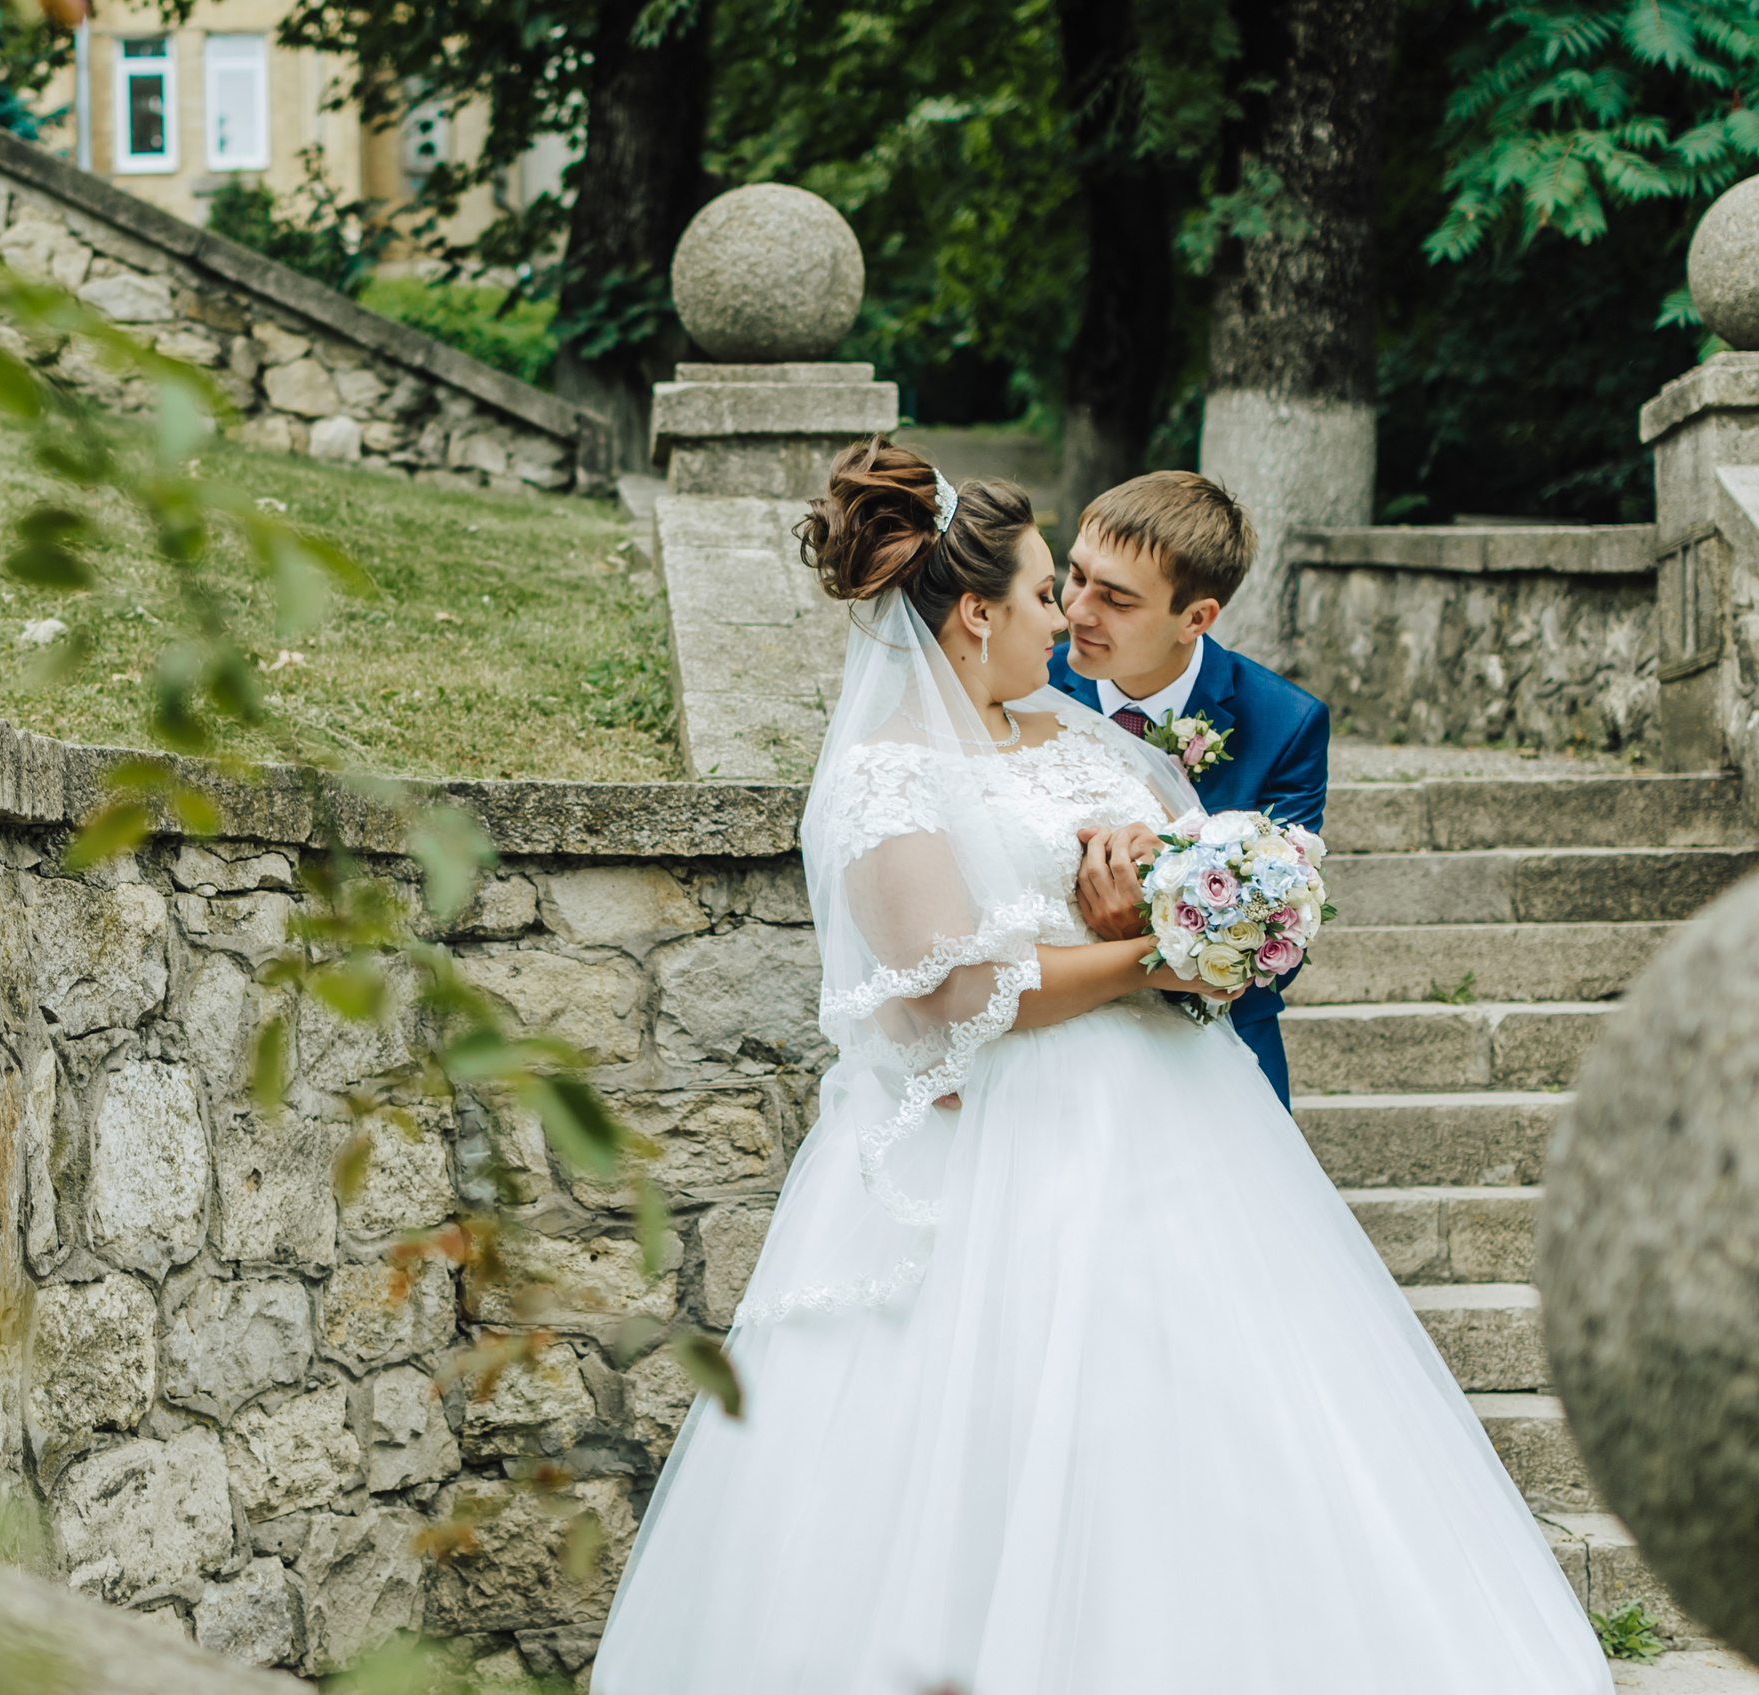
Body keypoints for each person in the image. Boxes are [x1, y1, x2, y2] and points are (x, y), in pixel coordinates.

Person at [588, 439, 1610, 1695]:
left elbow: (1197, 883)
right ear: (975, 614)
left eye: (1084, 594)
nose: (1061, 619)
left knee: (1209, 1415)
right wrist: (1147, 961)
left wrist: (1169, 905)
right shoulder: (885, 776)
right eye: (1039, 591)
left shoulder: (1081, 737)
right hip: (990, 1139)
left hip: (1169, 1127)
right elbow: (963, 992)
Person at [1045, 472, 1331, 1106]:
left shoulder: (1283, 724)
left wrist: (1156, 903)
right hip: (1046, 1054)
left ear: (1195, 618)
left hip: (1214, 1054)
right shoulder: (1020, 683)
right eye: (1076, 575)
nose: (1076, 611)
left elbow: (1277, 940)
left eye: (1116, 600)